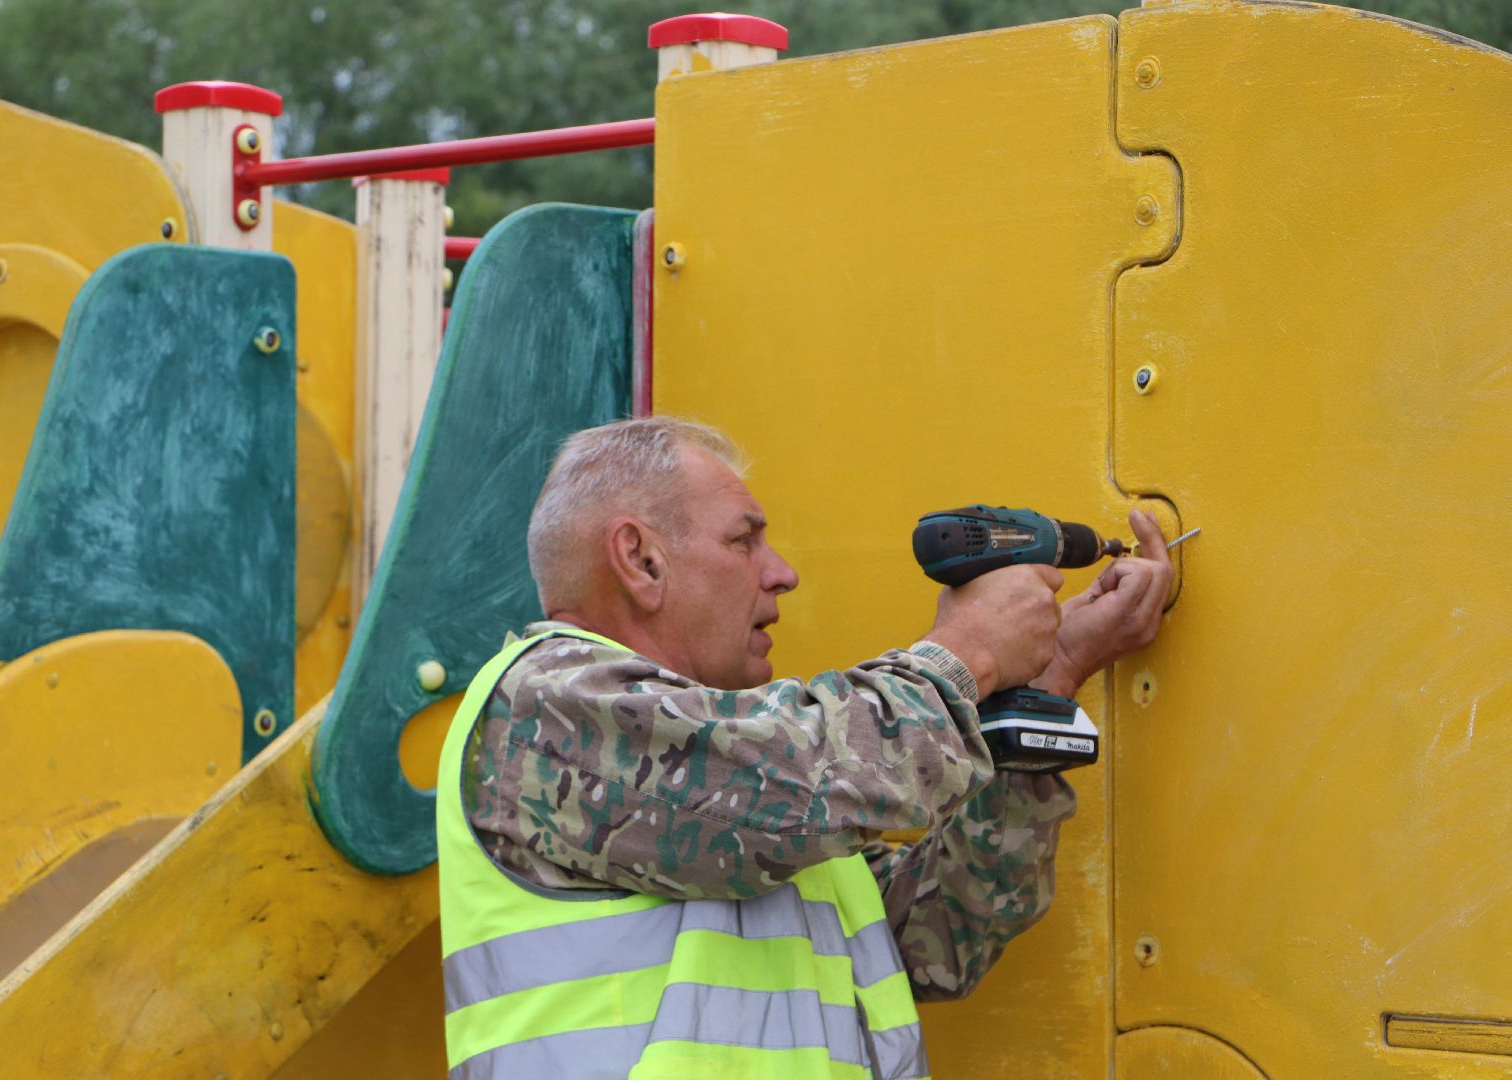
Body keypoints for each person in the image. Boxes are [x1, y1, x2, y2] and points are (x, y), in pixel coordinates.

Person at [435, 416, 1175, 1079]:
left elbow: (944, 936)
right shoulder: (543, 705)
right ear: (641, 560)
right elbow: (795, 787)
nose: (780, 572)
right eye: (743, 539)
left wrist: (1042, 682)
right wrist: (969, 654)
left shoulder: (735, 789)